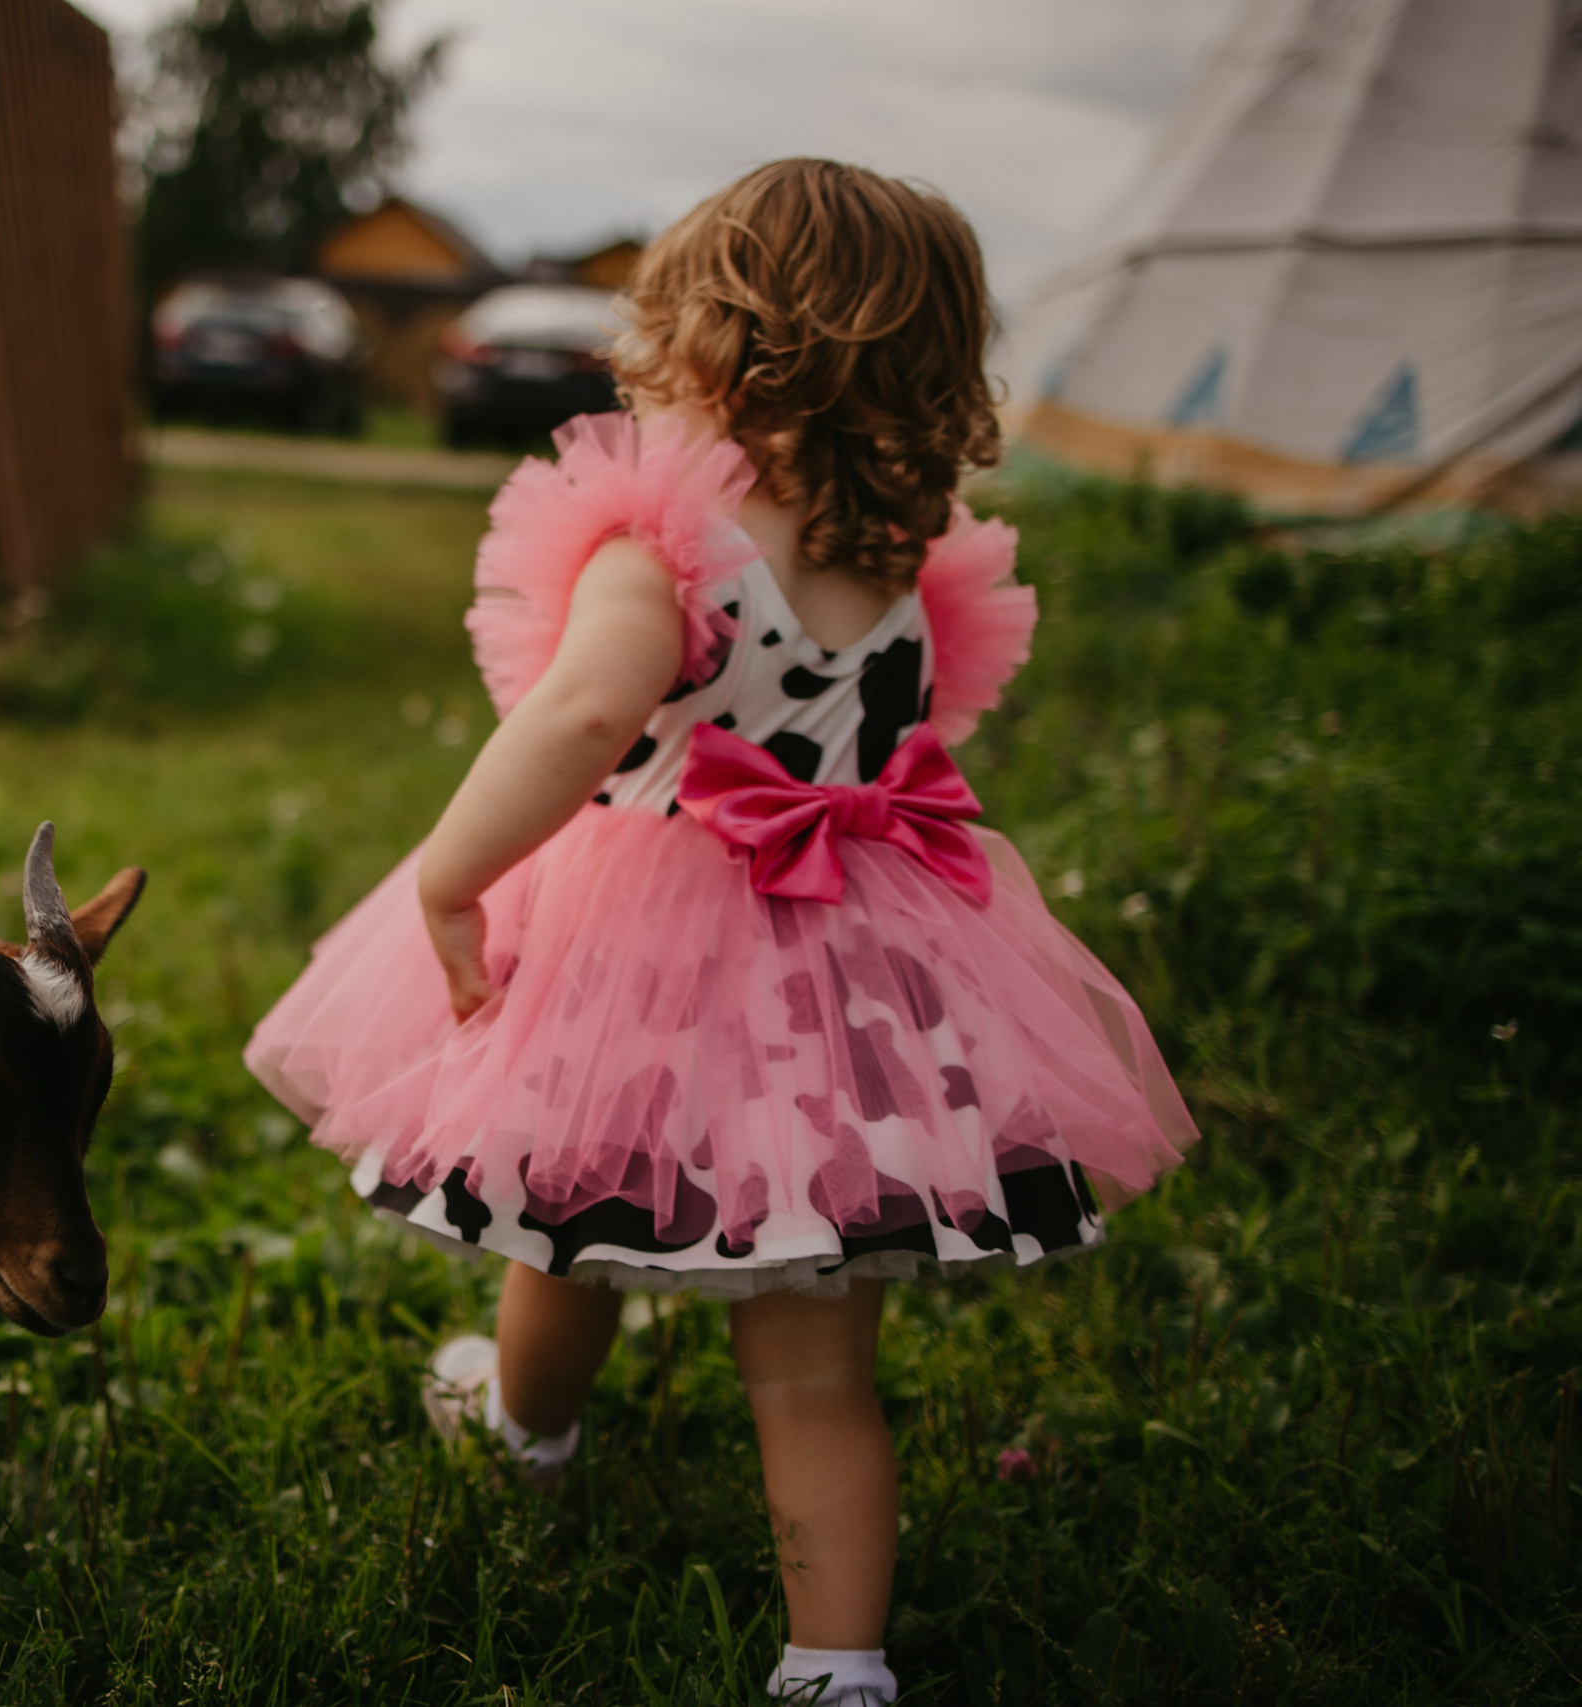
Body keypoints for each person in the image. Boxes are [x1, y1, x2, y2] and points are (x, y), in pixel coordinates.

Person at [243, 159, 1199, 1706]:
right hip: (853, 972)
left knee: (571, 1210)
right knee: (819, 1366)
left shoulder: (664, 547)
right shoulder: (903, 559)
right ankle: (838, 1664)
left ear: (720, 335)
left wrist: (451, 874)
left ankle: (528, 1429)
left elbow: (583, 716)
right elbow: (894, 736)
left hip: (647, 953)